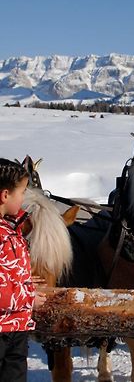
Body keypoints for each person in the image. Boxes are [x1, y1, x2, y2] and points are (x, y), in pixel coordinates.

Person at [0, 158, 46, 382]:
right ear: (5, 195)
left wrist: (24, 280)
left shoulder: (12, 229)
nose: (24, 198)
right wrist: (28, 297)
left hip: (15, 326)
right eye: (22, 192)